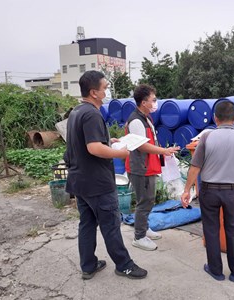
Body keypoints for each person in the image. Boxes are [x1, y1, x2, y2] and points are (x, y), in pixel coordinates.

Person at [65, 70, 147, 280]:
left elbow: (82, 144)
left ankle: (88, 265)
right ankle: (124, 265)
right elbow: (93, 148)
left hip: (80, 181)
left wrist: (108, 142)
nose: (107, 91)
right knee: (110, 225)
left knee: (87, 223)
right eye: (105, 88)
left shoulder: (76, 112)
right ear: (94, 92)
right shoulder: (92, 114)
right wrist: (121, 153)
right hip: (97, 183)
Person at [181, 100, 234, 282]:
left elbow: (195, 167)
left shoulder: (207, 137)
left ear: (215, 118)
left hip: (209, 191)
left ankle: (215, 270)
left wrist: (187, 190)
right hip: (232, 192)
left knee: (211, 229)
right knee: (233, 230)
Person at [125, 84, 180, 251]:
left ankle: (144, 228)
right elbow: (142, 146)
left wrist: (162, 153)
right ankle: (139, 237)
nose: (155, 103)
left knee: (149, 200)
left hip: (149, 165)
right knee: (144, 201)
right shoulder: (136, 121)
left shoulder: (146, 118)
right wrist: (164, 150)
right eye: (153, 100)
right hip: (140, 168)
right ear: (143, 102)